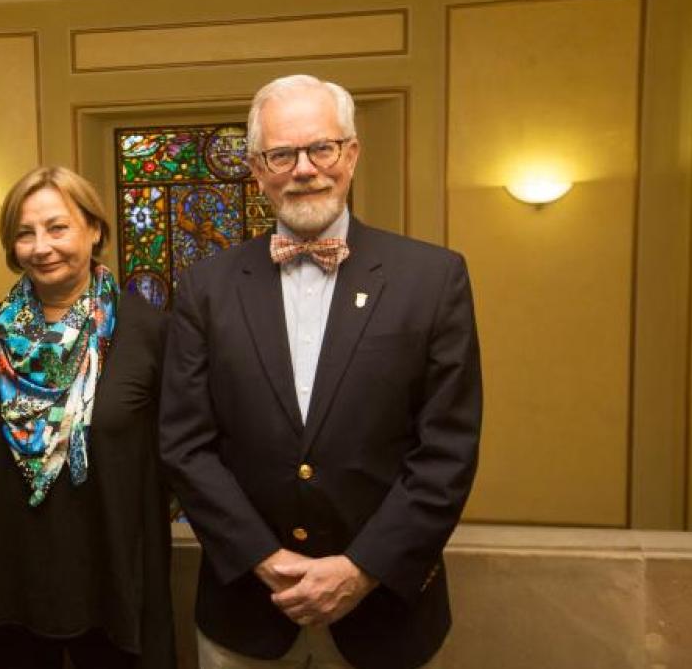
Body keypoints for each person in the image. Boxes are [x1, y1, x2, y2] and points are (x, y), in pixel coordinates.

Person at [159, 75, 482, 669]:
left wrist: (362, 569)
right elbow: (185, 445)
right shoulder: (206, 288)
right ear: (258, 168)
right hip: (246, 612)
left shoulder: (432, 280)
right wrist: (263, 558)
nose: (303, 168)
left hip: (387, 616)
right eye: (282, 154)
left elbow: (447, 451)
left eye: (321, 148)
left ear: (351, 153)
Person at [0, 167, 176, 669]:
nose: (41, 246)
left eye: (58, 227)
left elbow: (174, 457)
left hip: (114, 576)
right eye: (24, 232)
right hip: (13, 573)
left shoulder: (150, 329)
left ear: (94, 230)